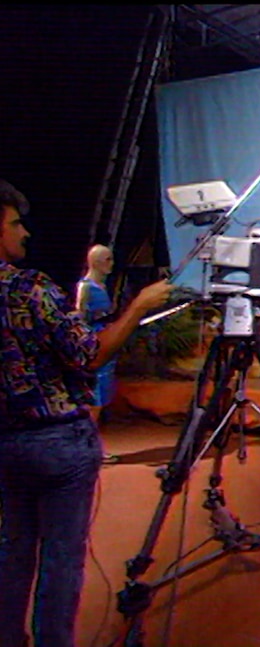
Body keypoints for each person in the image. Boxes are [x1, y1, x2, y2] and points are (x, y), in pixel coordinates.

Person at [0, 179, 174, 647]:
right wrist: (139, 306)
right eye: (15, 224)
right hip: (57, 442)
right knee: (61, 558)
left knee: (13, 550)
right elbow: (88, 354)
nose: (25, 234)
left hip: (7, 443)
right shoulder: (30, 288)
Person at [75, 243, 119, 463]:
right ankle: (90, 447)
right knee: (95, 400)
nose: (111, 264)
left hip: (106, 344)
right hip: (94, 346)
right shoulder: (86, 287)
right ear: (96, 261)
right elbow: (79, 318)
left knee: (101, 399)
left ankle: (93, 446)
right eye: (107, 259)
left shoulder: (102, 286)